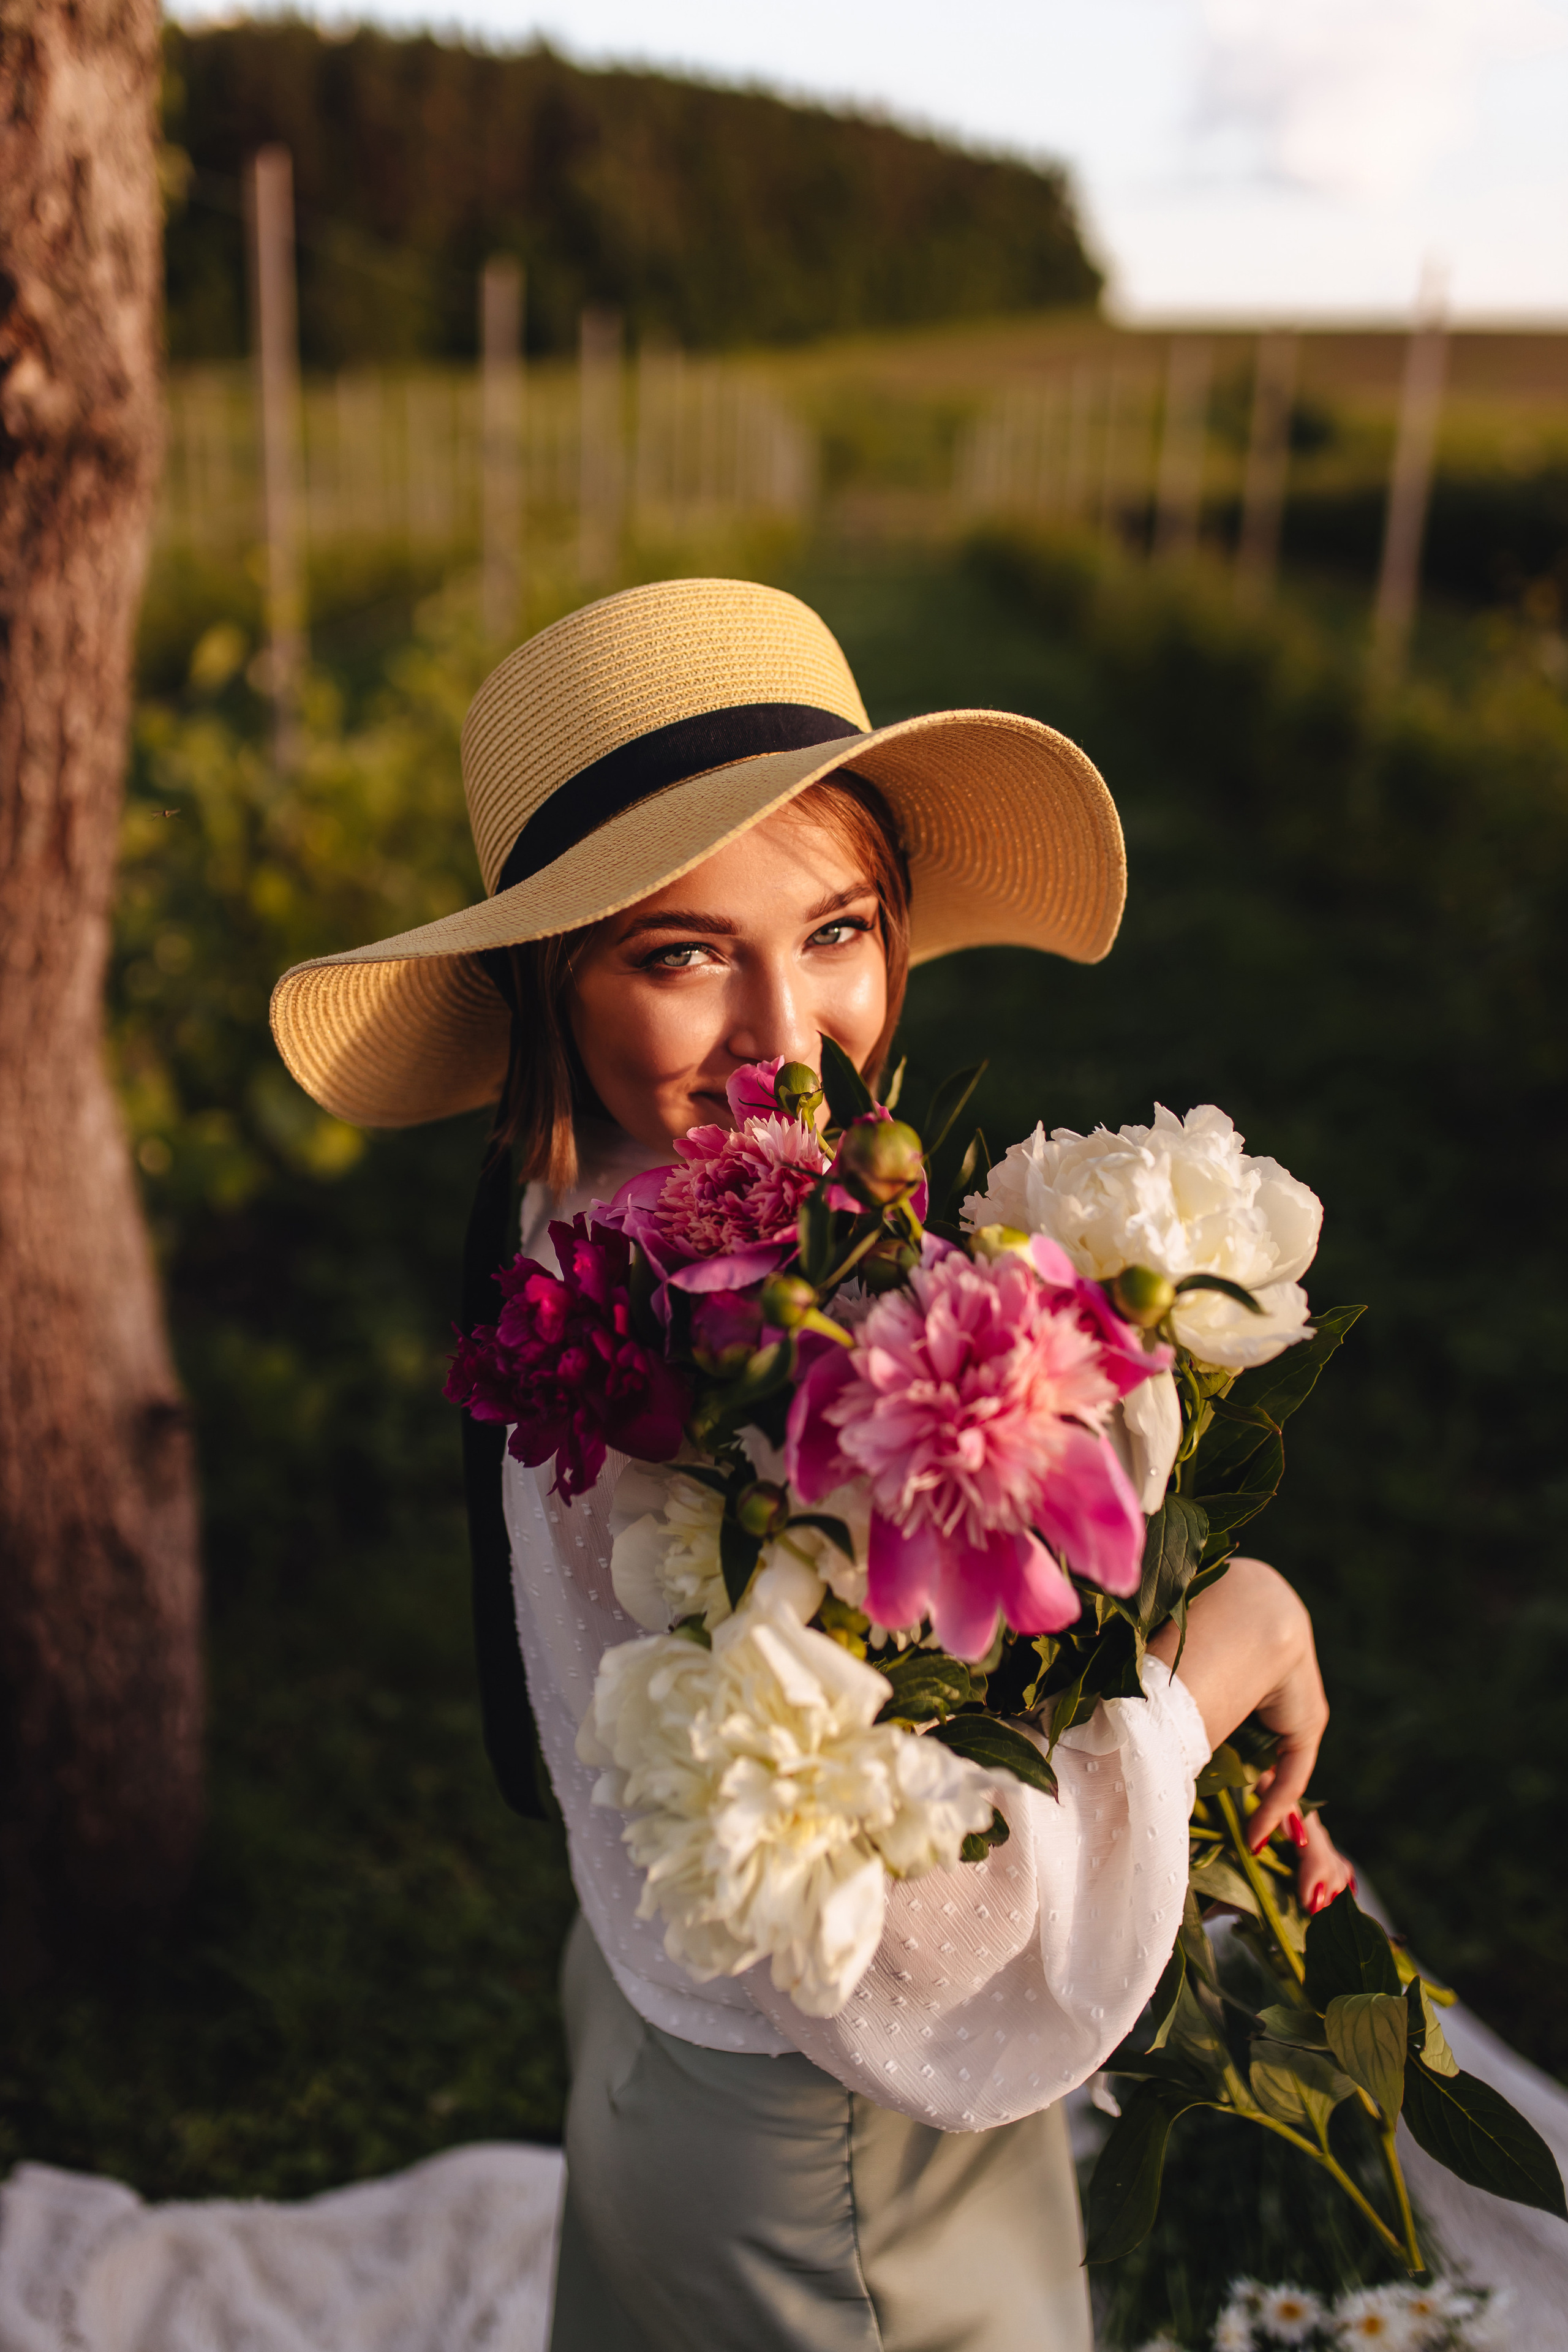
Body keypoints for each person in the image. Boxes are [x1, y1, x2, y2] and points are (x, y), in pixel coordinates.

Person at [271, 578, 1352, 2352]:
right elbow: (950, 1918)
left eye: (837, 929)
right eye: (682, 952)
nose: (784, 1031)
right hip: (839, 2147)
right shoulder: (751, 1371)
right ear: (553, 986)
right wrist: (1224, 1652)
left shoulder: (590, 1219)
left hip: (654, 2041)